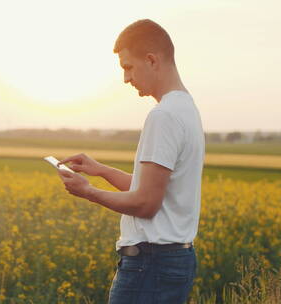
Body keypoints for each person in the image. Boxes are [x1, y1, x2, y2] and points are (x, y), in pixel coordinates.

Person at [56, 19, 205, 304]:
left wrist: (87, 191)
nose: (126, 78)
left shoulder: (163, 116)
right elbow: (154, 189)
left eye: (128, 67)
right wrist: (100, 170)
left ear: (151, 60)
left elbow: (145, 204)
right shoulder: (186, 108)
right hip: (172, 260)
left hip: (150, 264)